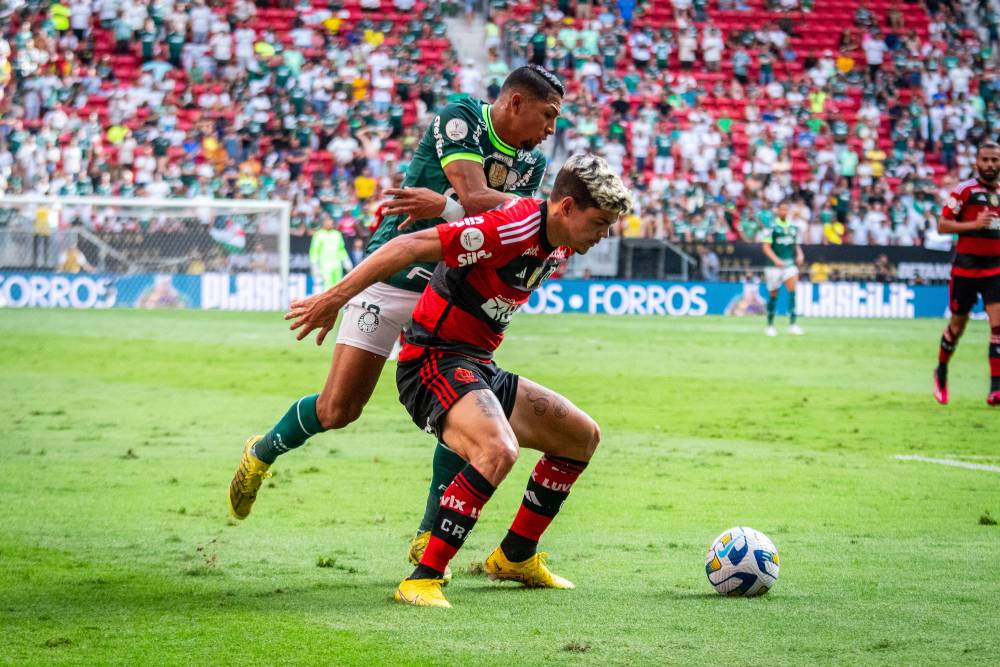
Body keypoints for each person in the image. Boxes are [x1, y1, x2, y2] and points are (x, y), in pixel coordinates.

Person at [227, 66, 565, 583]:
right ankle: (263, 450)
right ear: (516, 103)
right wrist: (466, 205)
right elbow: (482, 204)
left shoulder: (533, 162)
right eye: (548, 116)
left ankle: (431, 533)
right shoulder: (463, 118)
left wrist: (450, 206)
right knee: (339, 408)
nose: (550, 130)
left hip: (453, 288)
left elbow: (514, 221)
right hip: (394, 272)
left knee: (464, 399)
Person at [285, 154, 632, 608]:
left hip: (477, 365)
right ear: (566, 208)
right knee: (498, 450)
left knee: (581, 437)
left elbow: (492, 201)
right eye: (600, 222)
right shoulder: (511, 230)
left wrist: (448, 205)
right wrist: (332, 299)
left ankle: (514, 556)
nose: (603, 234)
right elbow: (406, 248)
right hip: (432, 362)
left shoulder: (559, 232)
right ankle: (422, 578)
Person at [933, 141, 1000, 406]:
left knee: (998, 326)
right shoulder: (964, 191)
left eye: (995, 160)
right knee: (957, 327)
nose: (990, 165)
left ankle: (995, 388)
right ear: (976, 163)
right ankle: (941, 370)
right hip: (966, 269)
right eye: (986, 160)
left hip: (995, 268)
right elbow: (942, 225)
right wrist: (974, 224)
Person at [762, 201, 805, 336]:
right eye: (782, 210)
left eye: (786, 210)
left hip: (789, 265)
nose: (784, 212)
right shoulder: (771, 227)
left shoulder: (793, 227)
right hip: (773, 266)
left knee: (792, 293)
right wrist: (776, 260)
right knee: (773, 295)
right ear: (777, 211)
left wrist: (800, 253)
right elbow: (765, 247)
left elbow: (795, 244)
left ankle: (793, 324)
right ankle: (770, 325)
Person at [309, 214, 351, 291]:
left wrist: (346, 260)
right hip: (325, 266)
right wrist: (314, 264)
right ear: (323, 222)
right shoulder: (318, 235)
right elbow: (314, 251)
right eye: (327, 221)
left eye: (330, 221)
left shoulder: (337, 234)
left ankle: (338, 302)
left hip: (337, 265)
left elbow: (341, 249)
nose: (329, 223)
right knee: (327, 287)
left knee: (338, 286)